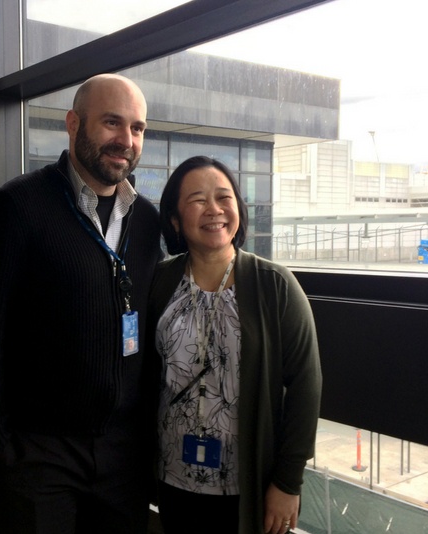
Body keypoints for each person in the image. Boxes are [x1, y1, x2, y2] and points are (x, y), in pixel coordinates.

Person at [0, 73, 162, 534]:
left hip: (123, 454)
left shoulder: (146, 221)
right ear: (73, 123)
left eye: (138, 128)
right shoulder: (18, 206)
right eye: (111, 123)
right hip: (36, 453)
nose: (126, 140)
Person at [148, 156, 322, 534]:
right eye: (197, 200)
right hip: (173, 478)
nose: (214, 210)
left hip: (248, 486)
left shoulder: (274, 285)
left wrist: (288, 482)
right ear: (176, 220)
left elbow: (306, 386)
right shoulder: (159, 283)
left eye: (223, 197)